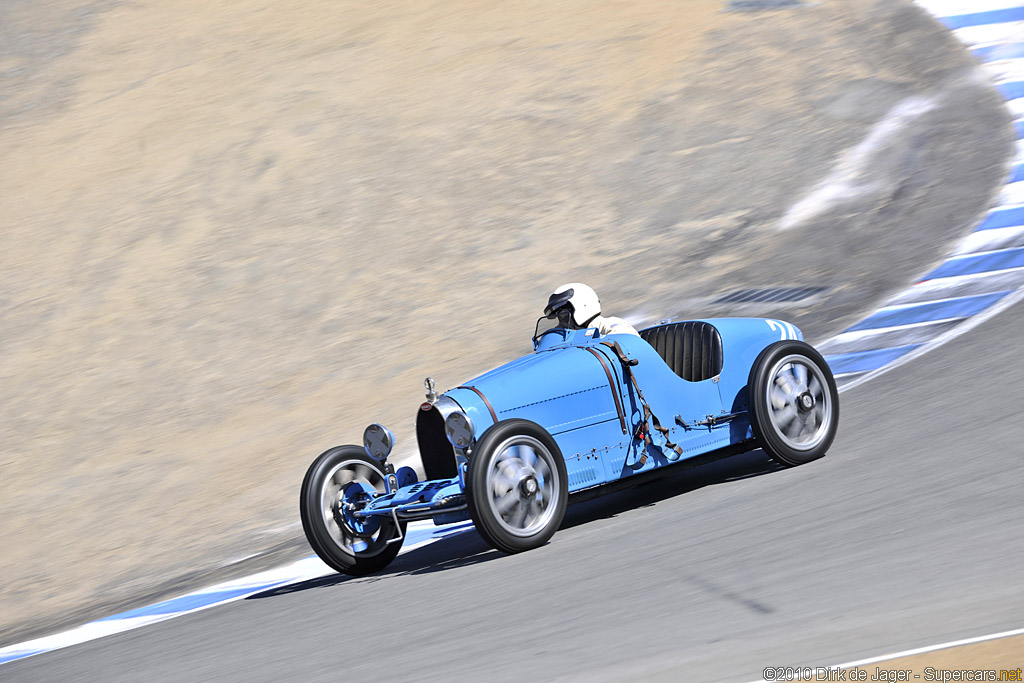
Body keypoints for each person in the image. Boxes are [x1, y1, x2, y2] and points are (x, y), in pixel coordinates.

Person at [543, 283, 639, 337]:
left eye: (563, 313)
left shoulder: (611, 325)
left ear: (582, 306)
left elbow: (627, 342)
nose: (561, 320)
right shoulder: (567, 336)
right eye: (557, 315)